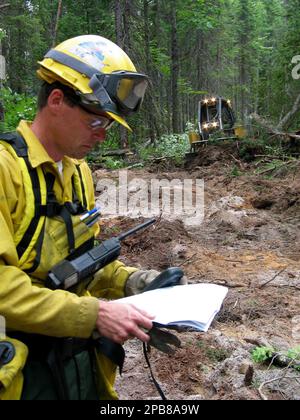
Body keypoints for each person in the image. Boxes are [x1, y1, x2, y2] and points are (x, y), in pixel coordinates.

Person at [0, 35, 181, 400]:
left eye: (108, 127)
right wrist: (95, 315)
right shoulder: (6, 171)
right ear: (56, 101)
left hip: (81, 367)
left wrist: (136, 282)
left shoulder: (78, 171)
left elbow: (84, 261)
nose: (102, 137)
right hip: (23, 376)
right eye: (96, 123)